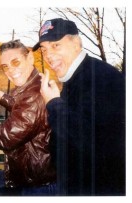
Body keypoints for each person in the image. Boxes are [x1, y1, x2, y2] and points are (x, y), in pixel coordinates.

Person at [33, 18, 126, 195]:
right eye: (44, 49)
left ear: (77, 43)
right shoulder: (75, 78)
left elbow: (91, 141)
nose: (49, 55)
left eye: (56, 45)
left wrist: (53, 104)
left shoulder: (101, 78)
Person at [0, 39, 56, 195]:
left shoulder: (34, 93)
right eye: (5, 66)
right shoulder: (31, 85)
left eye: (16, 62)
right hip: (33, 178)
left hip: (35, 185)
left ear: (30, 58)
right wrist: (4, 99)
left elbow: (8, 136)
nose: (10, 70)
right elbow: (27, 115)